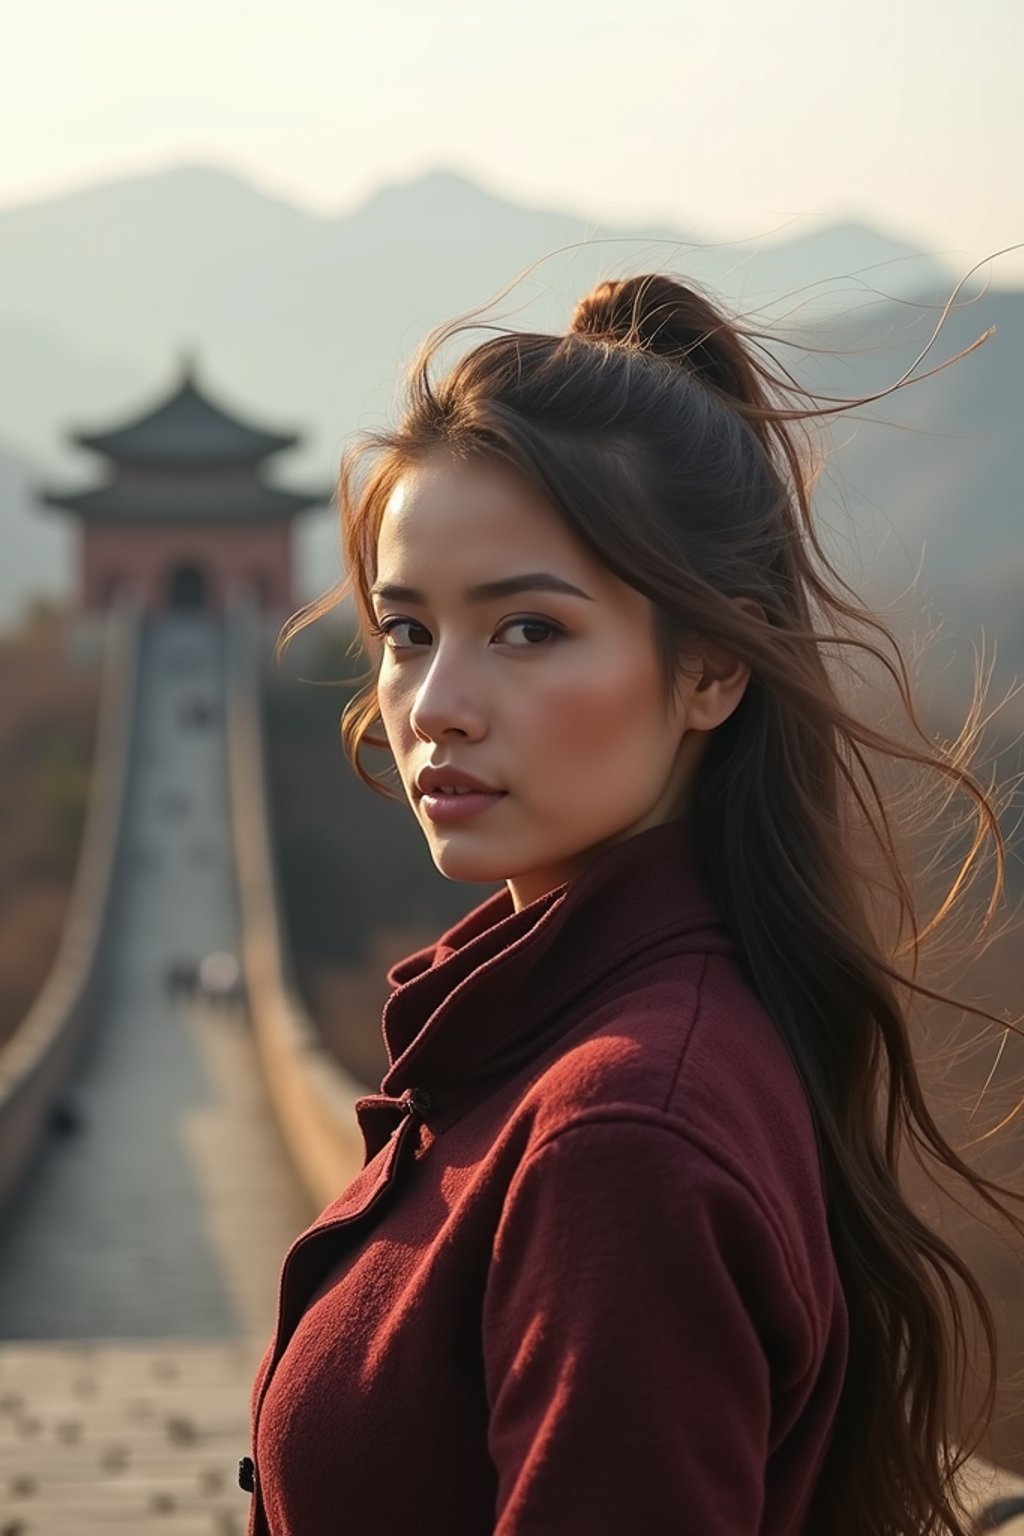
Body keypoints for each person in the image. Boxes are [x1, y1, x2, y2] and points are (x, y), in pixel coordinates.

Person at [244, 271, 1023, 1535]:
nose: (434, 702)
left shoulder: (617, 1137)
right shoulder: (565, 1044)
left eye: (528, 631)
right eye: (405, 629)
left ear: (711, 665)